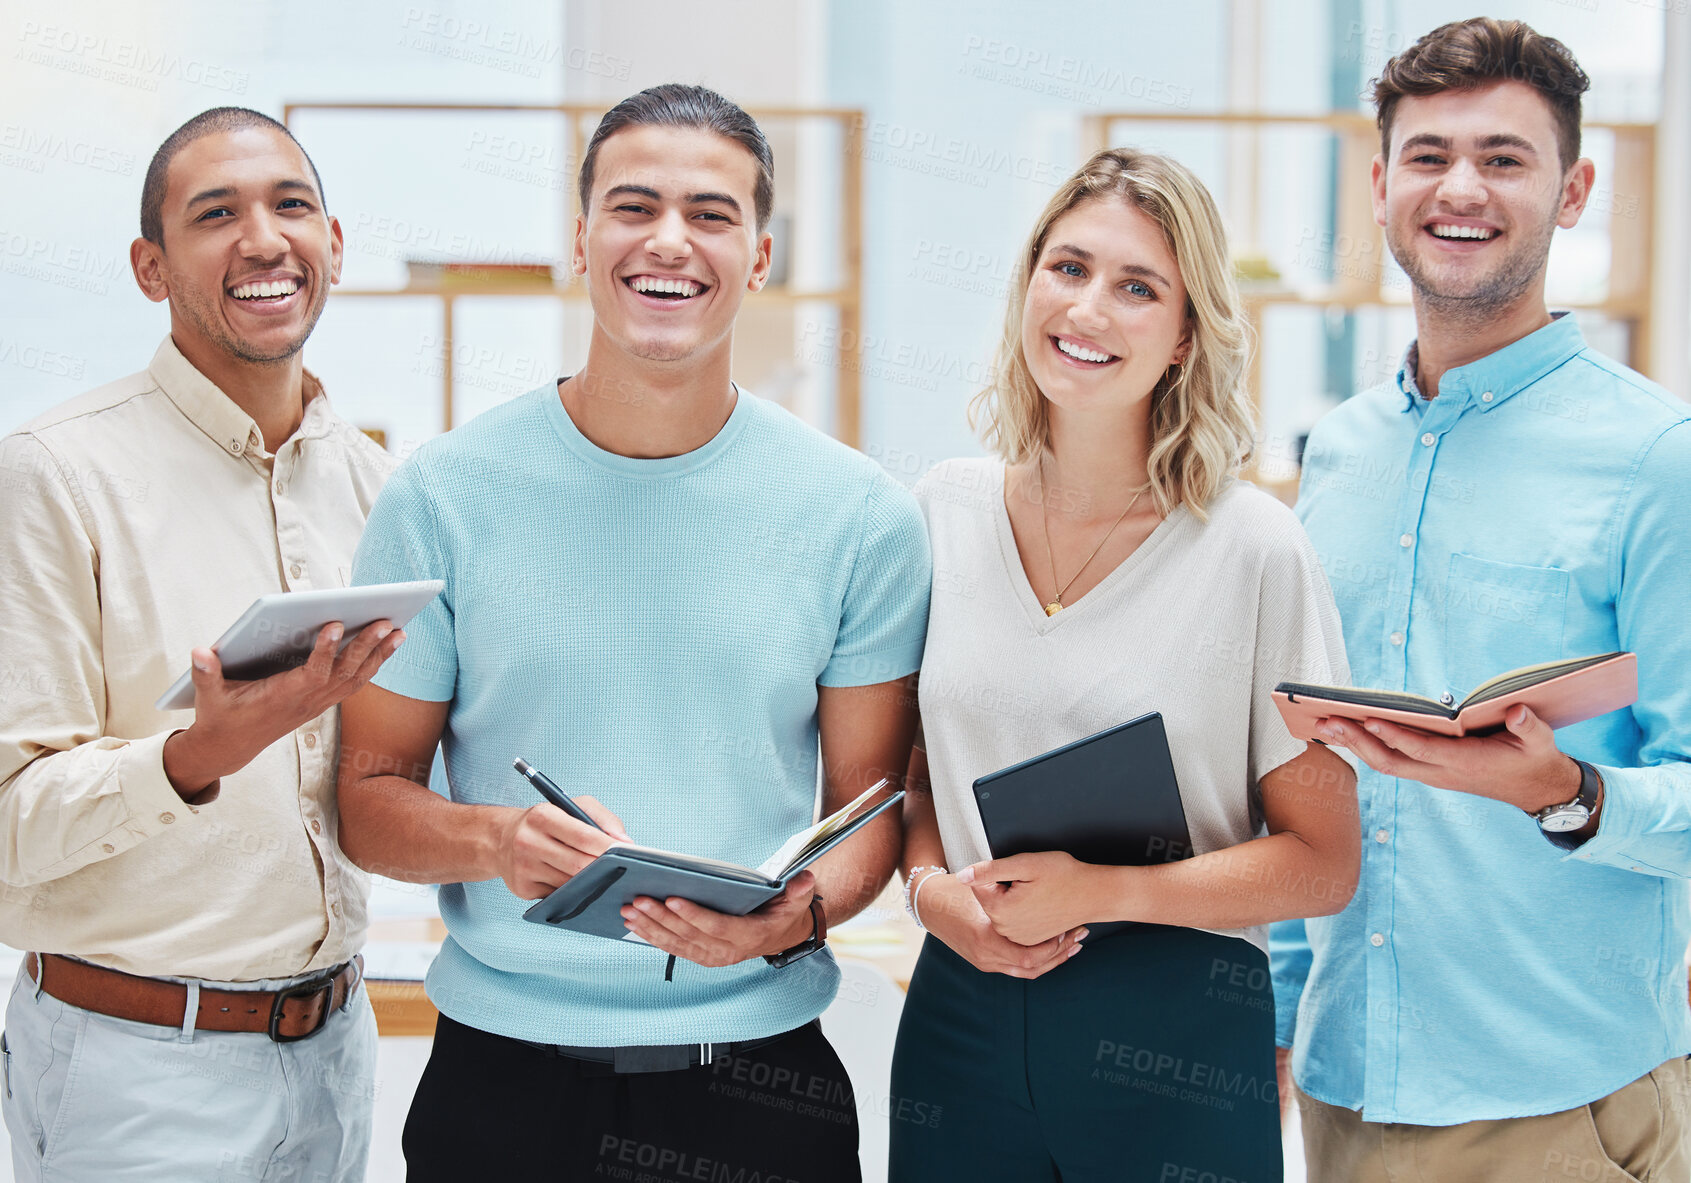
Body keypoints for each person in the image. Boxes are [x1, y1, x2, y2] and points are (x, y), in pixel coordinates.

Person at [336, 83, 929, 1182]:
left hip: (757, 1086)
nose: (669, 241)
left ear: (757, 256)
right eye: (632, 206)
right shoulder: (439, 496)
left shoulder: (860, 516)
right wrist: (492, 842)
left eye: (710, 213)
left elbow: (866, 816)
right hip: (497, 1091)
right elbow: (367, 801)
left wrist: (783, 921)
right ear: (579, 239)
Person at [1271, 18, 1691, 1181]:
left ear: (1571, 191)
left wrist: (1566, 794)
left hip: (1559, 1102)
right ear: (1378, 184)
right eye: (1428, 155)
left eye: (1503, 158)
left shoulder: (1658, 457)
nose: (1460, 187)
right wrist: (1275, 1007)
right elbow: (1312, 769)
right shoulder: (1337, 454)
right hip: (1343, 1083)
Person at [888, 147, 1359, 1183]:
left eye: (1136, 286)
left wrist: (1099, 890)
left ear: (1186, 336)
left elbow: (1323, 860)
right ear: (1026, 287)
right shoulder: (940, 512)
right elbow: (914, 781)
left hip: (1176, 1028)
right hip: (961, 1009)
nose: (1088, 308)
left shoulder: (1251, 547)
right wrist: (929, 894)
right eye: (1067, 268)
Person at [0, 108, 402, 1182]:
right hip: (138, 1067)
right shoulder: (54, 475)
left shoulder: (377, 489)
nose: (264, 240)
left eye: (292, 206)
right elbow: (7, 828)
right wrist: (196, 758)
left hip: (334, 1051)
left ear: (335, 244)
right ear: (150, 266)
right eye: (215, 214)